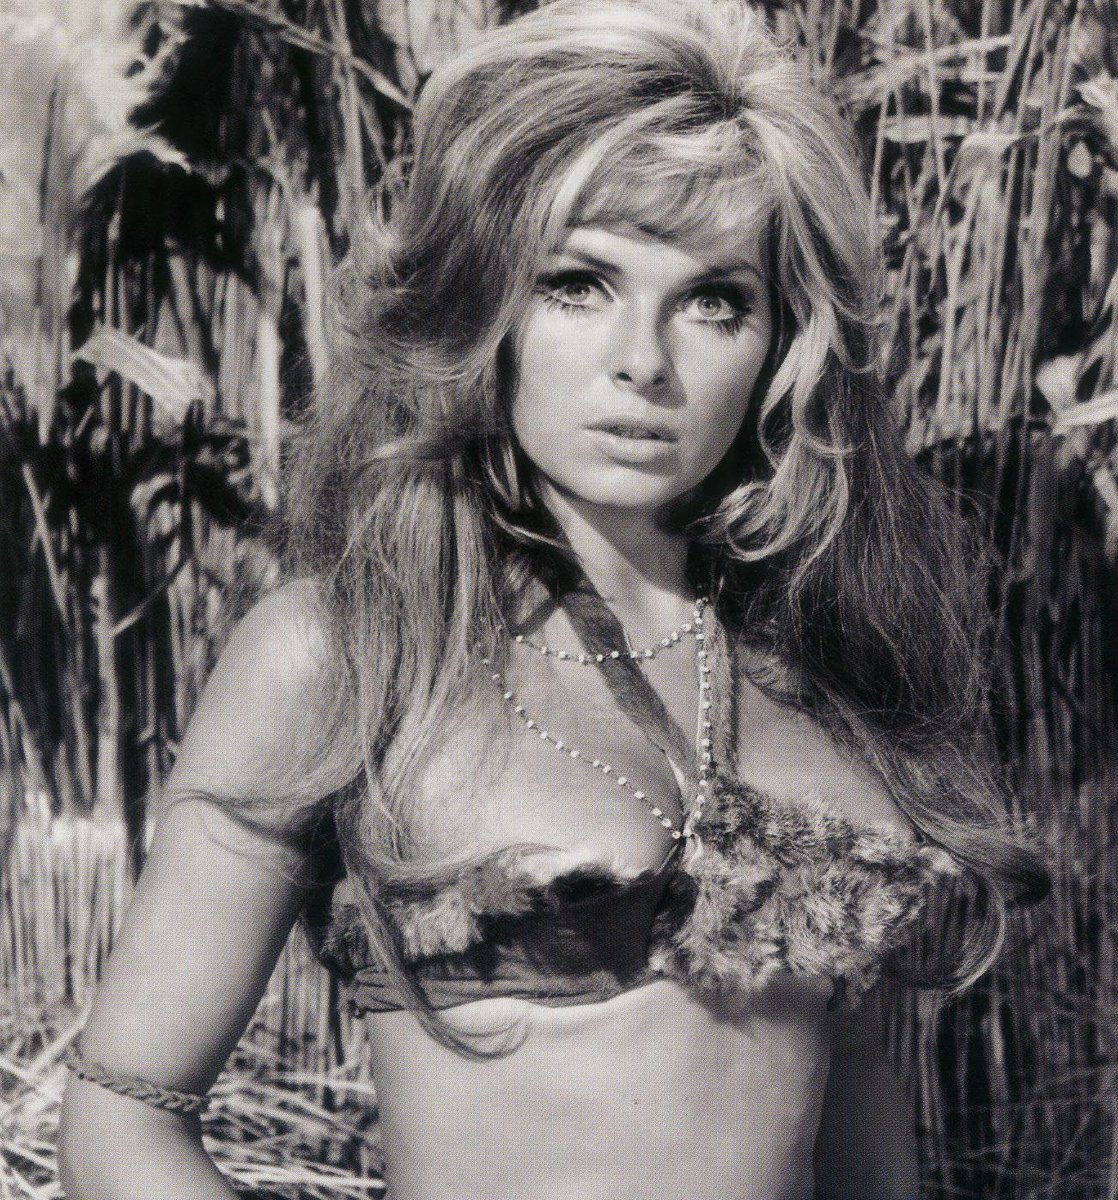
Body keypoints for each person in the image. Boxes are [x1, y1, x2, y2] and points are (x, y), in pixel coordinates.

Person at [56, 1, 1048, 1197]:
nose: (644, 362)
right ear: (484, 303)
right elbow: (120, 1119)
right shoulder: (347, 654)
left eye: (714, 301)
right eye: (578, 284)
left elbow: (852, 1115)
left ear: (779, 341)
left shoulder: (812, 663)